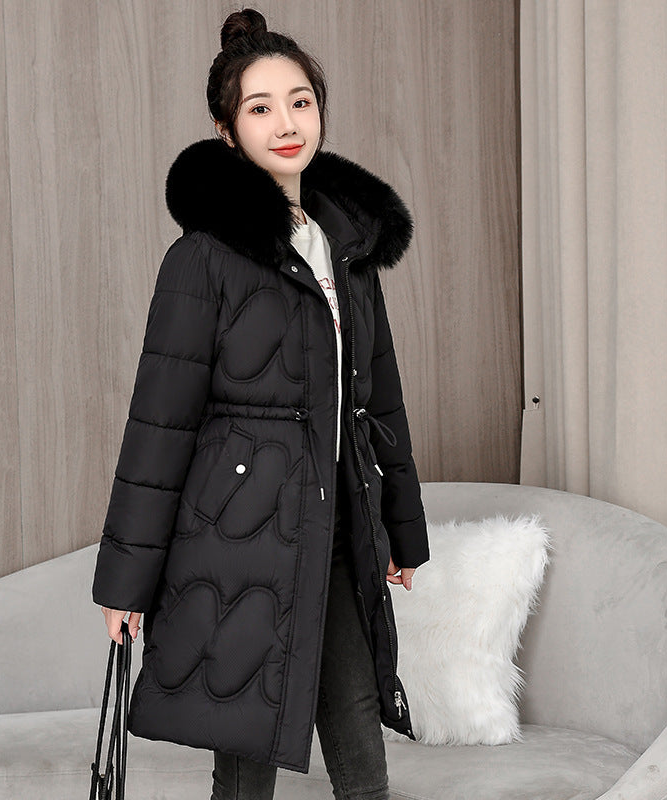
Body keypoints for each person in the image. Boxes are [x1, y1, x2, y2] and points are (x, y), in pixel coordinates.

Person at [91, 8, 430, 799]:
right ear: (227, 129)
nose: (286, 124)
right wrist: (124, 584)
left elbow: (379, 399)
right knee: (244, 760)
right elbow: (159, 426)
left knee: (359, 740)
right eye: (261, 107)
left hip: (336, 529)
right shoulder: (201, 259)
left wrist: (401, 530)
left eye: (300, 102)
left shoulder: (349, 249)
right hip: (237, 539)